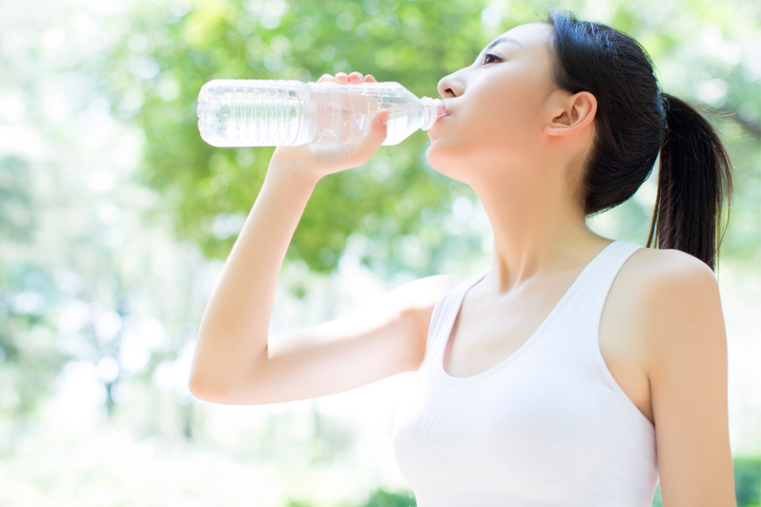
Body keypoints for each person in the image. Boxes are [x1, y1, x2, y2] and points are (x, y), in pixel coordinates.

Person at [189, 8, 737, 506]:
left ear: (569, 114)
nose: (448, 82)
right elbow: (225, 376)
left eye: (492, 60)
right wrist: (293, 172)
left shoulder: (659, 288)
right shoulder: (434, 312)